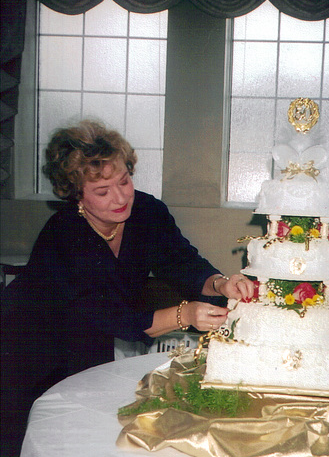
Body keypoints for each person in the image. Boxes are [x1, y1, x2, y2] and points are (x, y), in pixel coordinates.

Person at [1, 119, 254, 421]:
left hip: (89, 340)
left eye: (124, 181)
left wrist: (220, 284)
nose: (121, 198)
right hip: (27, 343)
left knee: (91, 421)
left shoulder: (147, 212)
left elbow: (183, 262)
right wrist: (185, 315)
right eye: (102, 191)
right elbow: (109, 316)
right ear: (77, 195)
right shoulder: (64, 234)